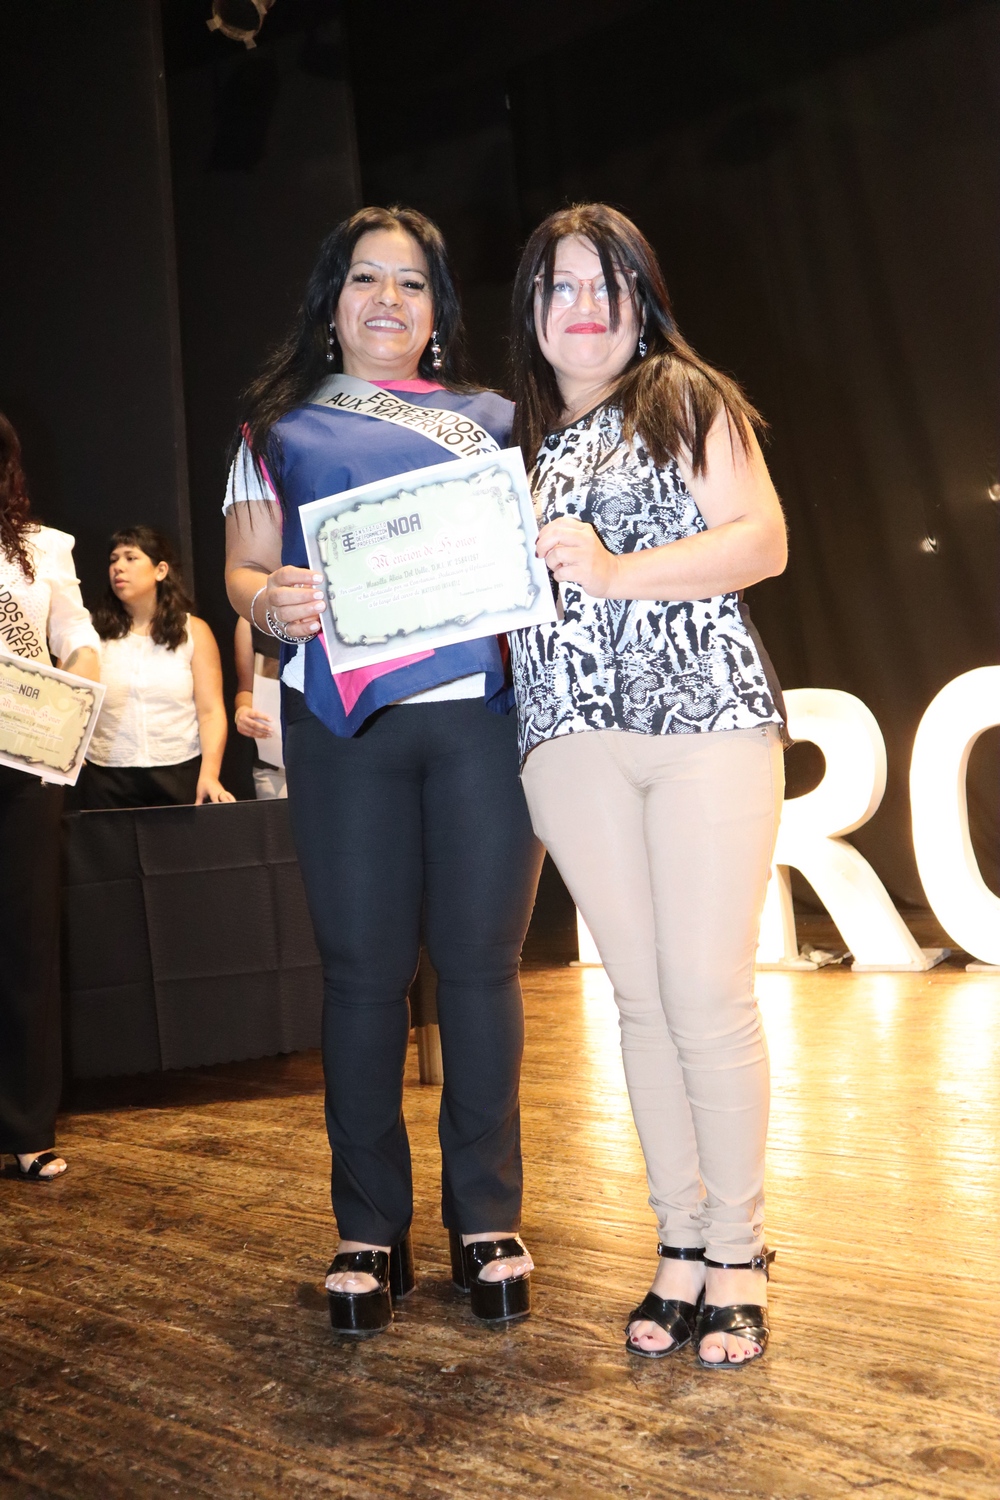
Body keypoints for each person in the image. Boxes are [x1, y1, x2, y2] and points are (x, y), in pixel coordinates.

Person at [224, 206, 543, 1335]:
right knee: (362, 978)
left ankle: (487, 1220)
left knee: (482, 970)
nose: (388, 301)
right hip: (344, 728)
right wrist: (269, 601)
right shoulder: (277, 428)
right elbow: (244, 568)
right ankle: (368, 1227)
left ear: (438, 308)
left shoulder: (499, 421)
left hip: (481, 723)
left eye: (411, 283)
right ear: (332, 299)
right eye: (366, 279)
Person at [507, 205, 788, 1369]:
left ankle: (737, 1252)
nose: (583, 305)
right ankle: (678, 1242)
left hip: (702, 723)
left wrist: (618, 572)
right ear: (531, 310)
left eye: (605, 283)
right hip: (566, 742)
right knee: (638, 999)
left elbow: (760, 540)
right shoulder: (515, 452)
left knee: (704, 992)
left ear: (641, 300)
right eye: (560, 285)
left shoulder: (684, 397)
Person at [0, 412, 101, 1182]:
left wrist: (77, 695)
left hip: (26, 757)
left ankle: (26, 1129)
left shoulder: (40, 548)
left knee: (26, 943)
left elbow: (78, 638)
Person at [79, 527, 234, 808]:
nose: (118, 567)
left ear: (160, 570)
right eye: (113, 560)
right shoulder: (89, 631)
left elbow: (211, 712)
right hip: (106, 778)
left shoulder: (194, 631)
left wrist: (209, 774)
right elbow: (71, 699)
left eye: (130, 558)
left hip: (178, 772)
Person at [233, 614, 286, 798]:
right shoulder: (251, 617)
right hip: (274, 765)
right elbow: (246, 689)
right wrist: (242, 712)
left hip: (330, 759)